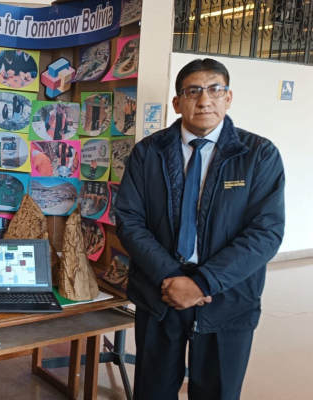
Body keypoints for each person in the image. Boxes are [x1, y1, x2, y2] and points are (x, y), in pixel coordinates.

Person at [116, 59, 285, 400]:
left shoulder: (258, 155)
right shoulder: (148, 152)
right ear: (177, 102)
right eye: (193, 91)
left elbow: (265, 232)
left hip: (226, 295)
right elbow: (129, 220)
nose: (205, 100)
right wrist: (170, 277)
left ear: (228, 97)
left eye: (215, 90)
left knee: (217, 390)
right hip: (160, 292)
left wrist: (202, 283)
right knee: (152, 390)